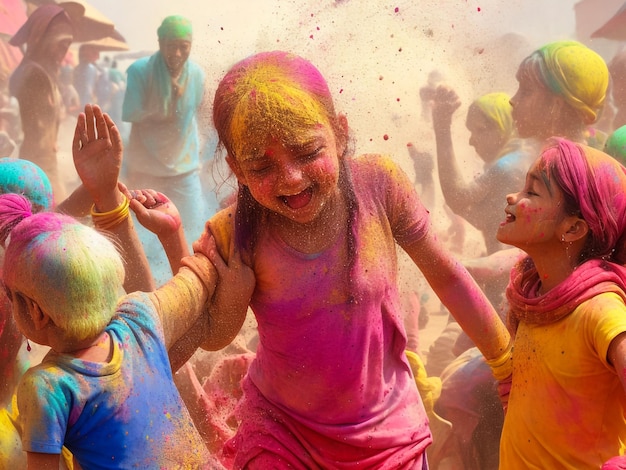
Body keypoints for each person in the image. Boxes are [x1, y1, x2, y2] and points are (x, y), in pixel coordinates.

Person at [174, 50, 510, 469]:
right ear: (236, 169)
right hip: (282, 435)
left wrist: (504, 361)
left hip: (387, 433)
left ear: (340, 131)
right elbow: (213, 337)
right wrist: (234, 292)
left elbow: (447, 276)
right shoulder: (235, 231)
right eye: (262, 166)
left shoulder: (379, 185)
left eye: (307, 152)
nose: (291, 178)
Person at [0, 102, 235, 468]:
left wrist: (104, 195)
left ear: (31, 309)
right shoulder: (138, 317)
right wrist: (179, 233)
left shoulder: (48, 387)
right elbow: (193, 298)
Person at [492, 138, 626, 468]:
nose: (513, 197)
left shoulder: (600, 310)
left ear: (573, 228)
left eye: (532, 192)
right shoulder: (533, 296)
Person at [122, 15, 208, 285]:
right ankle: (150, 289)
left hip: (185, 169)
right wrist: (159, 111)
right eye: (172, 45)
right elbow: (130, 111)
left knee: (195, 227)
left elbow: (196, 113)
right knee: (143, 235)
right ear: (160, 43)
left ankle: (191, 285)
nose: (178, 53)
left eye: (184, 46)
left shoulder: (197, 74)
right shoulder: (140, 71)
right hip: (147, 170)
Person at [431, 90, 537, 255]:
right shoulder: (522, 160)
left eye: (480, 130)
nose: (471, 141)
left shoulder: (507, 166)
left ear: (503, 126)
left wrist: (442, 127)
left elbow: (457, 197)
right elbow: (484, 219)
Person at [8, 4, 74, 202]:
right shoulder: (35, 75)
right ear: (41, 38)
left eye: (69, 43)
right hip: (37, 168)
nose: (65, 49)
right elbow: (36, 133)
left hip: (35, 165)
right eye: (61, 42)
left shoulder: (32, 70)